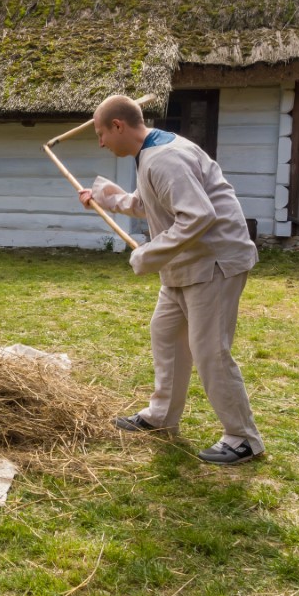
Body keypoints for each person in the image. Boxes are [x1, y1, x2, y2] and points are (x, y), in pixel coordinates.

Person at [78, 95, 264, 465]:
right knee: (165, 334)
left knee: (210, 351)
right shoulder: (152, 152)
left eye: (101, 134)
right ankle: (161, 417)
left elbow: (197, 216)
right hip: (184, 267)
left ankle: (243, 438)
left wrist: (147, 253)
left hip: (213, 264)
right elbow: (153, 203)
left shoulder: (166, 158)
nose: (100, 142)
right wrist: (104, 198)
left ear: (118, 126)